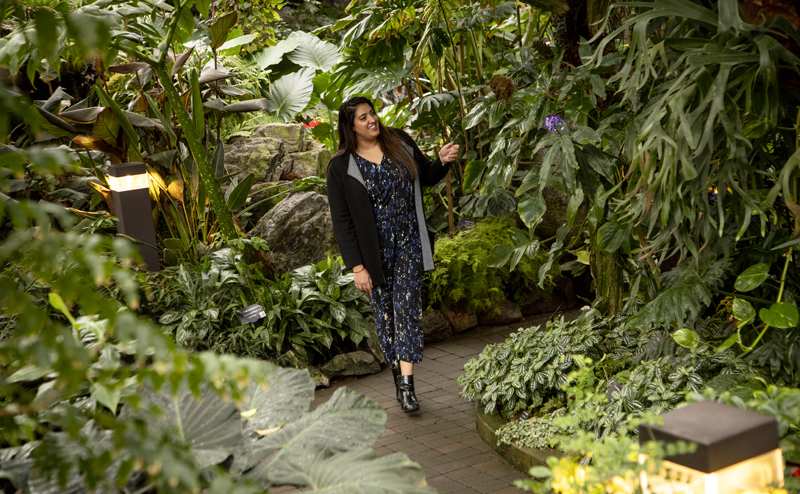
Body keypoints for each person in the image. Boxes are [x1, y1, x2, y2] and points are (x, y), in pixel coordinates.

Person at [326, 97, 459, 412]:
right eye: (363, 117)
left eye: (372, 113)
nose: (372, 120)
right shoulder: (341, 167)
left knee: (408, 310)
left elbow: (426, 175)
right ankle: (398, 376)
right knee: (385, 318)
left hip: (409, 244)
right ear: (350, 126)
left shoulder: (399, 140)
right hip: (374, 254)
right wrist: (358, 267)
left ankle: (408, 387)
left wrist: (442, 160)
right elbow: (342, 222)